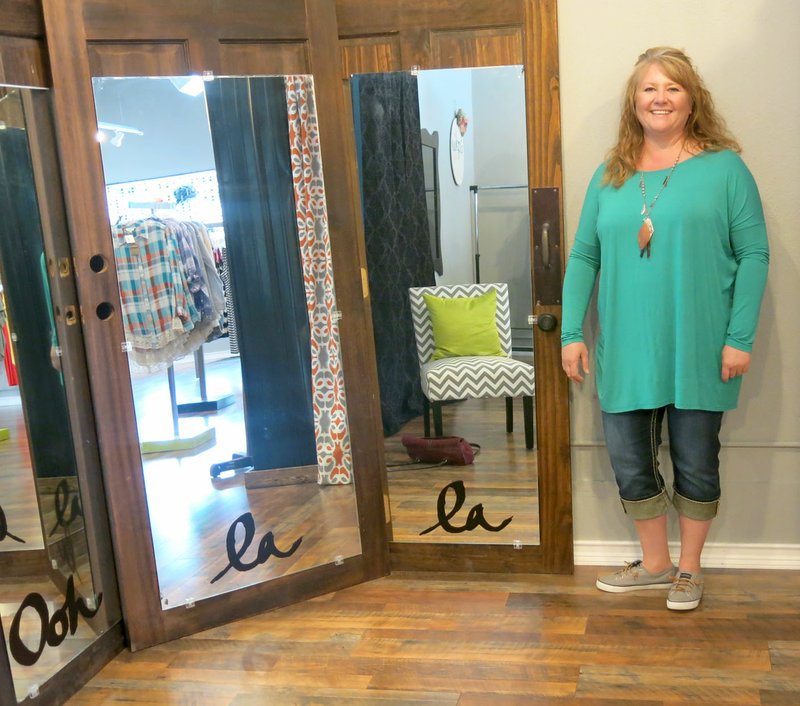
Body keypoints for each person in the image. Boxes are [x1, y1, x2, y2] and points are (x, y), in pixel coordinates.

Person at [561, 47, 769, 611]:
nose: (660, 98)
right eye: (650, 89)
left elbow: (754, 255)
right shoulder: (611, 176)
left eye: (672, 88)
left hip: (701, 344)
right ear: (634, 102)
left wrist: (739, 337)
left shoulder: (725, 168)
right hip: (627, 346)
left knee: (697, 459)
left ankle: (689, 570)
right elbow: (584, 256)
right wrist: (571, 333)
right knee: (629, 460)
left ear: (691, 98)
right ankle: (655, 564)